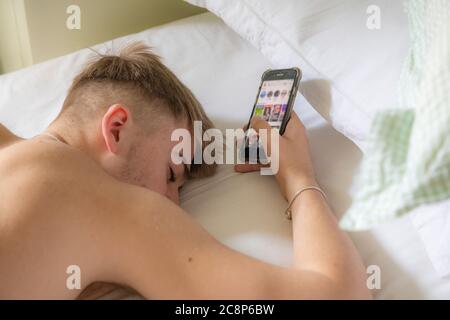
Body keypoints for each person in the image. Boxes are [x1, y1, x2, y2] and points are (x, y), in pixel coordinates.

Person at [0, 42, 371, 300]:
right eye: (171, 173)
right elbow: (339, 293)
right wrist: (298, 177)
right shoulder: (115, 207)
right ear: (116, 129)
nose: (172, 204)